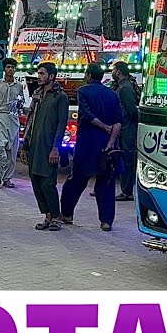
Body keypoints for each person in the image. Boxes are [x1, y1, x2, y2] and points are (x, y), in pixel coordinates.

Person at [59, 64, 122, 231]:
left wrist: (102, 127)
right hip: (106, 147)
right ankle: (106, 221)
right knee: (106, 183)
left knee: (76, 181)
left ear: (88, 75)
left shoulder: (83, 91)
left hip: (86, 144)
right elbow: (118, 122)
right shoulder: (112, 94)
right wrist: (110, 142)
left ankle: (66, 214)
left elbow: (87, 115)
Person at [24, 62, 69, 230]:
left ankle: (56, 216)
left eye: (42, 74)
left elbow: (61, 124)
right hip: (35, 145)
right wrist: (26, 145)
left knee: (48, 182)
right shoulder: (37, 94)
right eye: (38, 73)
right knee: (35, 180)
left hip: (49, 146)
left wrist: (56, 147)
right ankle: (47, 216)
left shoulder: (60, 97)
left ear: (51, 76)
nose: (39, 77)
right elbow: (30, 121)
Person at [0, 58, 30, 189]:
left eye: (12, 67)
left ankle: (7, 178)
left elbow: (21, 104)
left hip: (13, 119)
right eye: (8, 67)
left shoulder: (18, 86)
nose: (10, 70)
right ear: (4, 69)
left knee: (12, 151)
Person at [111, 61, 139, 202]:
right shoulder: (122, 86)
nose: (112, 72)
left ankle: (127, 191)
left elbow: (132, 110)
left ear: (119, 71)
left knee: (127, 159)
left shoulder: (125, 88)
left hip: (127, 129)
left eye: (114, 69)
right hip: (124, 128)